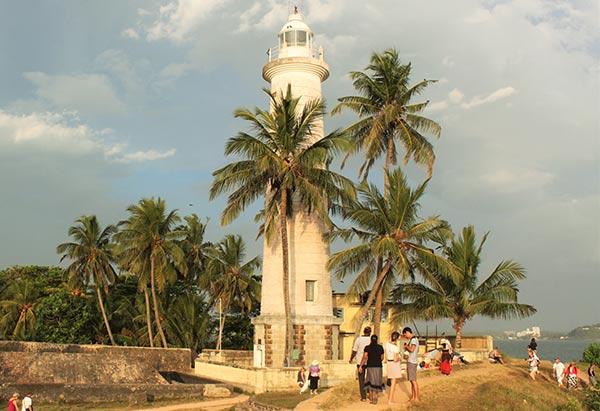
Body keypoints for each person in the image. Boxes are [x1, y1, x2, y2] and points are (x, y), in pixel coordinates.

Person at [359, 334, 384, 405]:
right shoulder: (380, 347)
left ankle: (371, 397)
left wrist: (361, 366)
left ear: (371, 340)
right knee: (377, 382)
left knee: (370, 381)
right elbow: (382, 357)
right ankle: (375, 397)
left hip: (370, 366)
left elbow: (364, 357)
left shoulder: (367, 347)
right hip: (378, 366)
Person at [349, 326, 372, 402]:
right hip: (369, 361)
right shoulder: (371, 340)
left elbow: (354, 351)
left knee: (361, 380)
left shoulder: (359, 339)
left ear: (364, 332)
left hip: (360, 362)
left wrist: (351, 359)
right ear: (370, 332)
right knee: (369, 378)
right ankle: (370, 393)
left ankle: (363, 396)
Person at [402, 327, 420, 402]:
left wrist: (406, 347)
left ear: (407, 332)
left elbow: (412, 349)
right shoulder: (413, 339)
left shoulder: (413, 340)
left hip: (412, 361)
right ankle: (413, 396)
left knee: (413, 380)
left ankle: (416, 397)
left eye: (405, 335)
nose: (405, 337)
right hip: (412, 361)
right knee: (411, 380)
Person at [385, 331, 402, 404]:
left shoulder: (387, 344)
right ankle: (390, 400)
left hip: (389, 362)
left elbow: (386, 355)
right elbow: (395, 359)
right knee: (394, 382)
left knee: (392, 381)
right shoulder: (395, 348)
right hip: (394, 363)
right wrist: (400, 358)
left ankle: (391, 399)